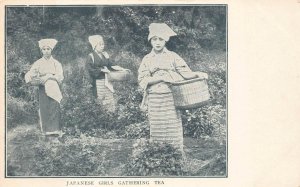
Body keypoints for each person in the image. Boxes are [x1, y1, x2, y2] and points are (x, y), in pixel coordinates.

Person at [138, 23, 208, 152]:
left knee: (172, 126)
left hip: (171, 97)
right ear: (150, 40)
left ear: (166, 40)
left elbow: (186, 73)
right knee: (157, 127)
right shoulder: (147, 59)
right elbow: (142, 80)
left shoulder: (173, 56)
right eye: (154, 39)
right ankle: (158, 156)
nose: (157, 42)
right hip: (154, 98)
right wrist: (161, 78)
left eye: (161, 39)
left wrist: (198, 73)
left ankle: (175, 156)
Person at [25, 39, 64, 142]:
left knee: (54, 108)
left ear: (51, 50)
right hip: (43, 89)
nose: (46, 51)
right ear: (41, 51)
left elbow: (60, 76)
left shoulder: (56, 63)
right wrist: (35, 78)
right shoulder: (38, 63)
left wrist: (50, 76)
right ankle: (47, 133)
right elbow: (30, 74)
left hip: (54, 88)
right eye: (44, 49)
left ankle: (55, 132)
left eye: (48, 49)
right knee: (45, 109)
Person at [86, 35, 126, 113]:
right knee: (100, 99)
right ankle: (102, 117)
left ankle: (110, 115)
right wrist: (101, 70)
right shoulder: (91, 56)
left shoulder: (105, 54)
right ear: (95, 46)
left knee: (109, 98)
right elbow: (89, 69)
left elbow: (110, 64)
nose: (102, 46)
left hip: (107, 80)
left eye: (103, 44)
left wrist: (121, 68)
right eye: (100, 44)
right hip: (98, 82)